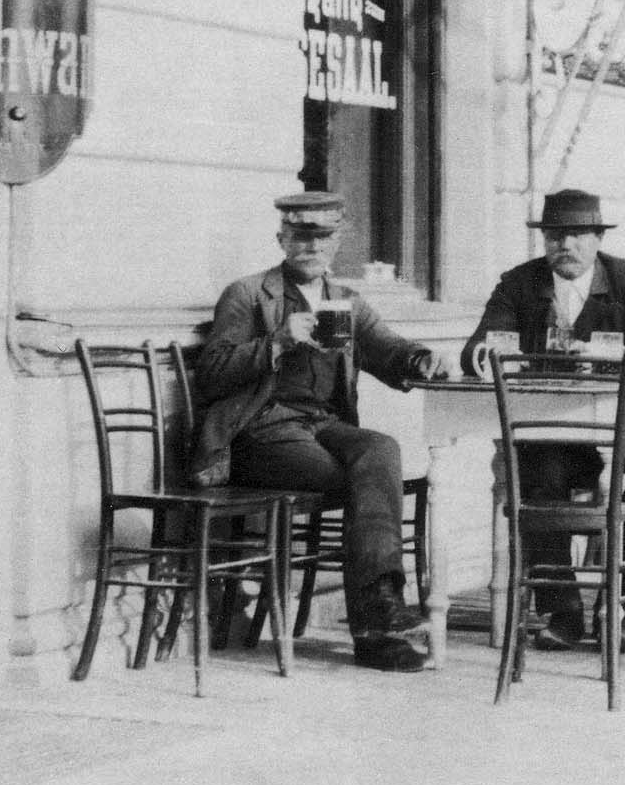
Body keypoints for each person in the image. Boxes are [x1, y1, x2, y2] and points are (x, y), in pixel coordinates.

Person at [195, 190, 456, 672]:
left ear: (337, 242)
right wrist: (277, 342)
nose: (311, 247)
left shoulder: (345, 302)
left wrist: (422, 359)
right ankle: (377, 629)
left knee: (380, 448)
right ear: (282, 239)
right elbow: (212, 372)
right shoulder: (248, 294)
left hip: (322, 425)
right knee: (366, 480)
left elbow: (388, 348)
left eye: (322, 237)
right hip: (260, 430)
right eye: (300, 236)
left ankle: (380, 614)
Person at [463, 188, 625, 651]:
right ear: (545, 241)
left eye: (577, 235)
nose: (565, 245)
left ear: (598, 239)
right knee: (537, 471)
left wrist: (597, 353)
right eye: (555, 236)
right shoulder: (520, 283)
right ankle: (563, 610)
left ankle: (619, 606)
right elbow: (475, 349)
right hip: (554, 433)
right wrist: (492, 353)